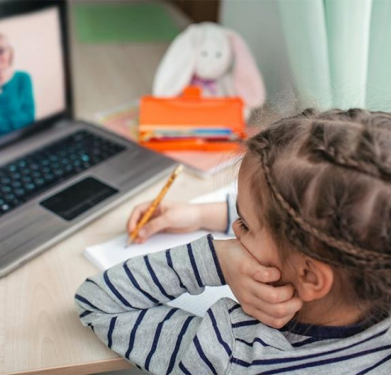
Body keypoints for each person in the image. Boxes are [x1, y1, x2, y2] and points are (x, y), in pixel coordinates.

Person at [75, 108, 391, 374]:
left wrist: (215, 259)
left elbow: (98, 302)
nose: (236, 230)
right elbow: (304, 223)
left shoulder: (231, 352)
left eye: (245, 225)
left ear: (310, 276)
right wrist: (203, 215)